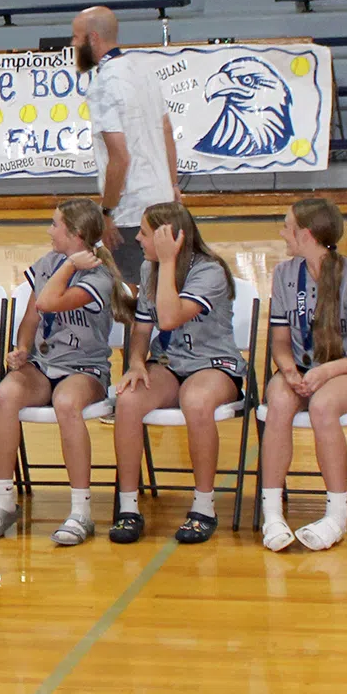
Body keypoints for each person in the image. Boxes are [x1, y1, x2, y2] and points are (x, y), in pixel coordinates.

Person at [0, 200, 127, 545]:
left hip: (84, 368)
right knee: (6, 393)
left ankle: (80, 511)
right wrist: (23, 349)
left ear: (75, 234)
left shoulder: (98, 276)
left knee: (65, 402)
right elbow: (31, 317)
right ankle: (2, 502)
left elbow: (48, 302)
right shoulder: (47, 263)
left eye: (55, 225)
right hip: (44, 365)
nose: (49, 230)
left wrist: (71, 264)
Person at [111, 202, 246, 545]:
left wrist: (169, 262)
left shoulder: (210, 271)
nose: (138, 239)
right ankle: (128, 507)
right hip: (170, 362)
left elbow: (169, 319)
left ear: (168, 238)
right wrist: (137, 362)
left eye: (144, 233)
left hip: (213, 363)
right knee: (127, 400)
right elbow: (143, 329)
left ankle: (203, 507)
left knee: (196, 400)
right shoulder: (148, 268)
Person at [257, 197, 347, 553]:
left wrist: (327, 370)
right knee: (279, 399)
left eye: (287, 227)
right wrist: (288, 369)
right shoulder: (285, 275)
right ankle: (272, 513)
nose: (282, 233)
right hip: (299, 368)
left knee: (323, 405)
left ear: (306, 235)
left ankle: (337, 515)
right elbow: (280, 341)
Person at [74, 5, 178, 281]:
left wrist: (106, 213)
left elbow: (120, 158)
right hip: (164, 201)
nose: (73, 45)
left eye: (76, 38)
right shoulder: (143, 71)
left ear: (93, 38)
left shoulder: (104, 84)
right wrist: (174, 184)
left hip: (131, 212)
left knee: (132, 295)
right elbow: (166, 131)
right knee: (164, 283)